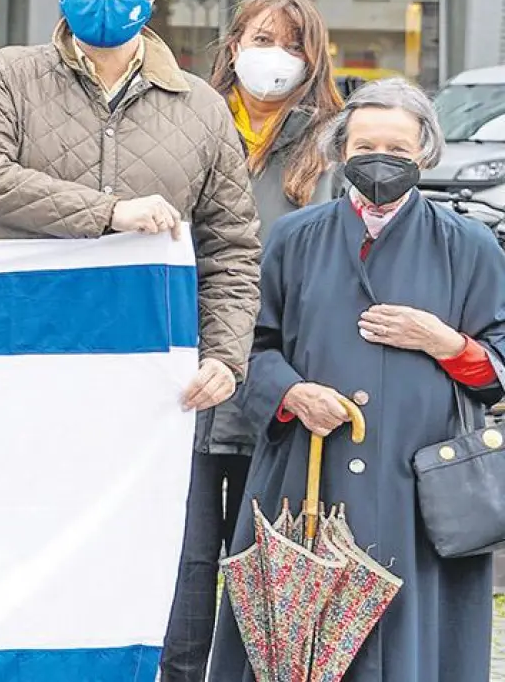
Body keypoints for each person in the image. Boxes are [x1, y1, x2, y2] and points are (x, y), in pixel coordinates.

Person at [209, 80, 505, 681]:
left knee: (411, 643)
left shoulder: (469, 245)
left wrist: (445, 342)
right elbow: (248, 346)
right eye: (365, 145)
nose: (380, 160)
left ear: (424, 152)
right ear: (341, 151)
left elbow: (497, 363)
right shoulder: (295, 237)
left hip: (418, 486)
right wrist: (291, 393)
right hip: (304, 477)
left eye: (397, 149)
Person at [0, 0, 261, 422]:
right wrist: (110, 212)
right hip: (18, 341)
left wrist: (225, 356)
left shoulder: (201, 106)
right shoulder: (10, 75)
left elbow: (231, 248)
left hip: (144, 360)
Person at [159, 0, 344, 682]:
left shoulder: (330, 144)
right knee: (186, 556)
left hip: (280, 384)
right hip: (192, 370)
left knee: (266, 558)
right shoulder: (189, 125)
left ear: (313, 59)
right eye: (260, 39)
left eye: (292, 45)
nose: (275, 57)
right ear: (232, 46)